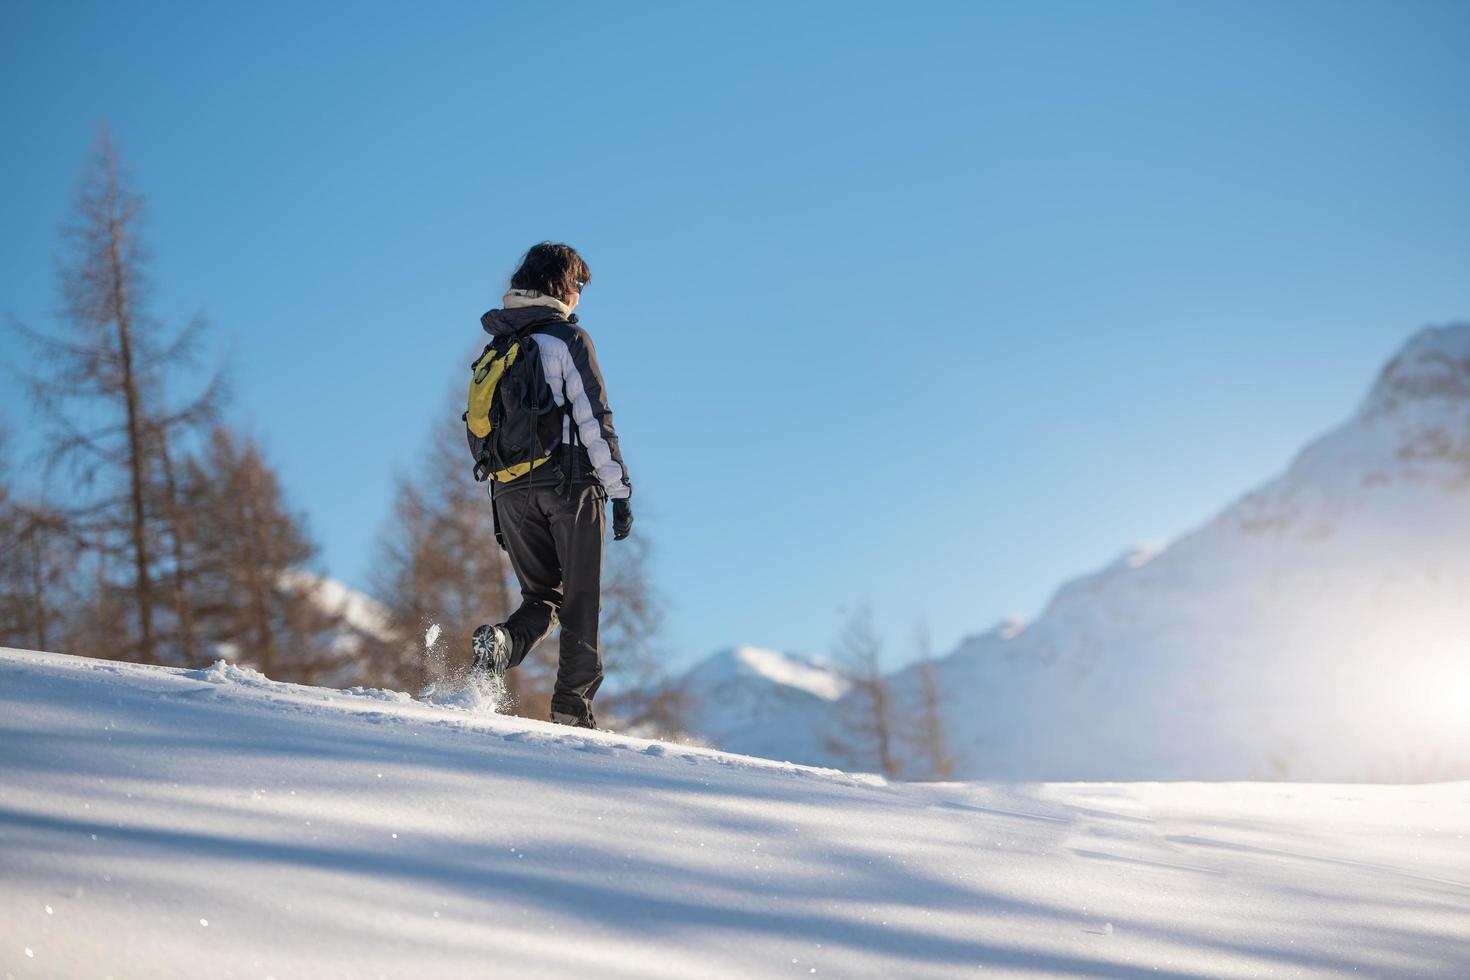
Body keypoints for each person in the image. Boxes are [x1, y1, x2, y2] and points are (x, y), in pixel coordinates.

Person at [470, 242, 633, 729]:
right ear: (562, 284)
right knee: (581, 597)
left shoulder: (498, 346)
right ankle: (571, 708)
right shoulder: (566, 341)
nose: (581, 295)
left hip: (509, 492)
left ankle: (503, 644)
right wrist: (620, 492)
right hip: (569, 487)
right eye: (579, 284)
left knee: (542, 597)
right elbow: (594, 421)